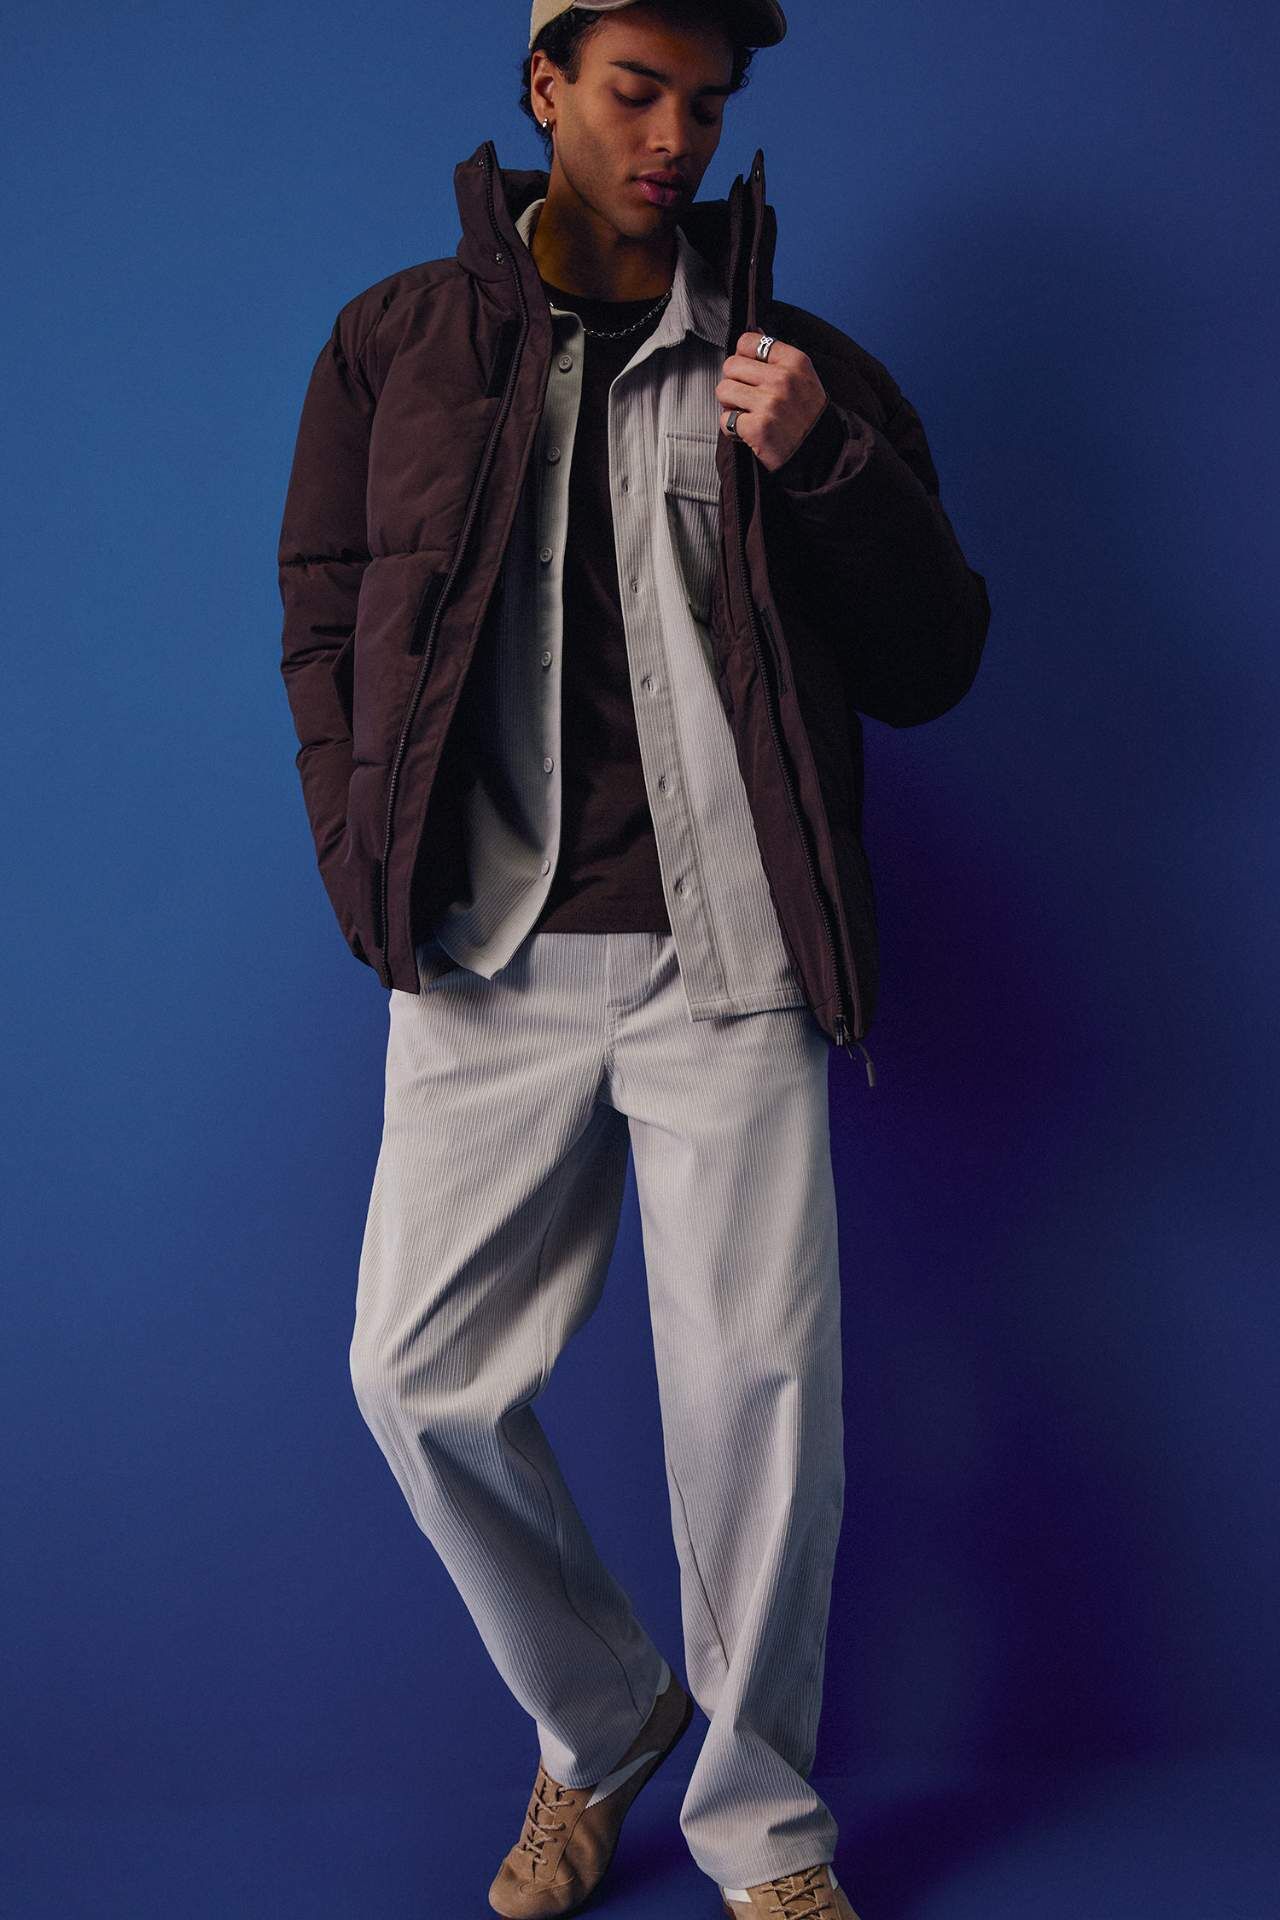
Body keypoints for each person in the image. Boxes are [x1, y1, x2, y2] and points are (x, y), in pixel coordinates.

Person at [275, 3, 991, 1915]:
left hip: (726, 951)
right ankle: (603, 1722)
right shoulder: (395, 347)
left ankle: (766, 1834)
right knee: (413, 1375)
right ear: (545, 88)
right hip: (484, 951)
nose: (676, 134)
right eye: (634, 90)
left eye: (707, 101)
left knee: (761, 1406)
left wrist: (827, 464)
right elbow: (324, 617)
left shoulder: (793, 365)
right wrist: (364, 858)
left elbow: (934, 661)